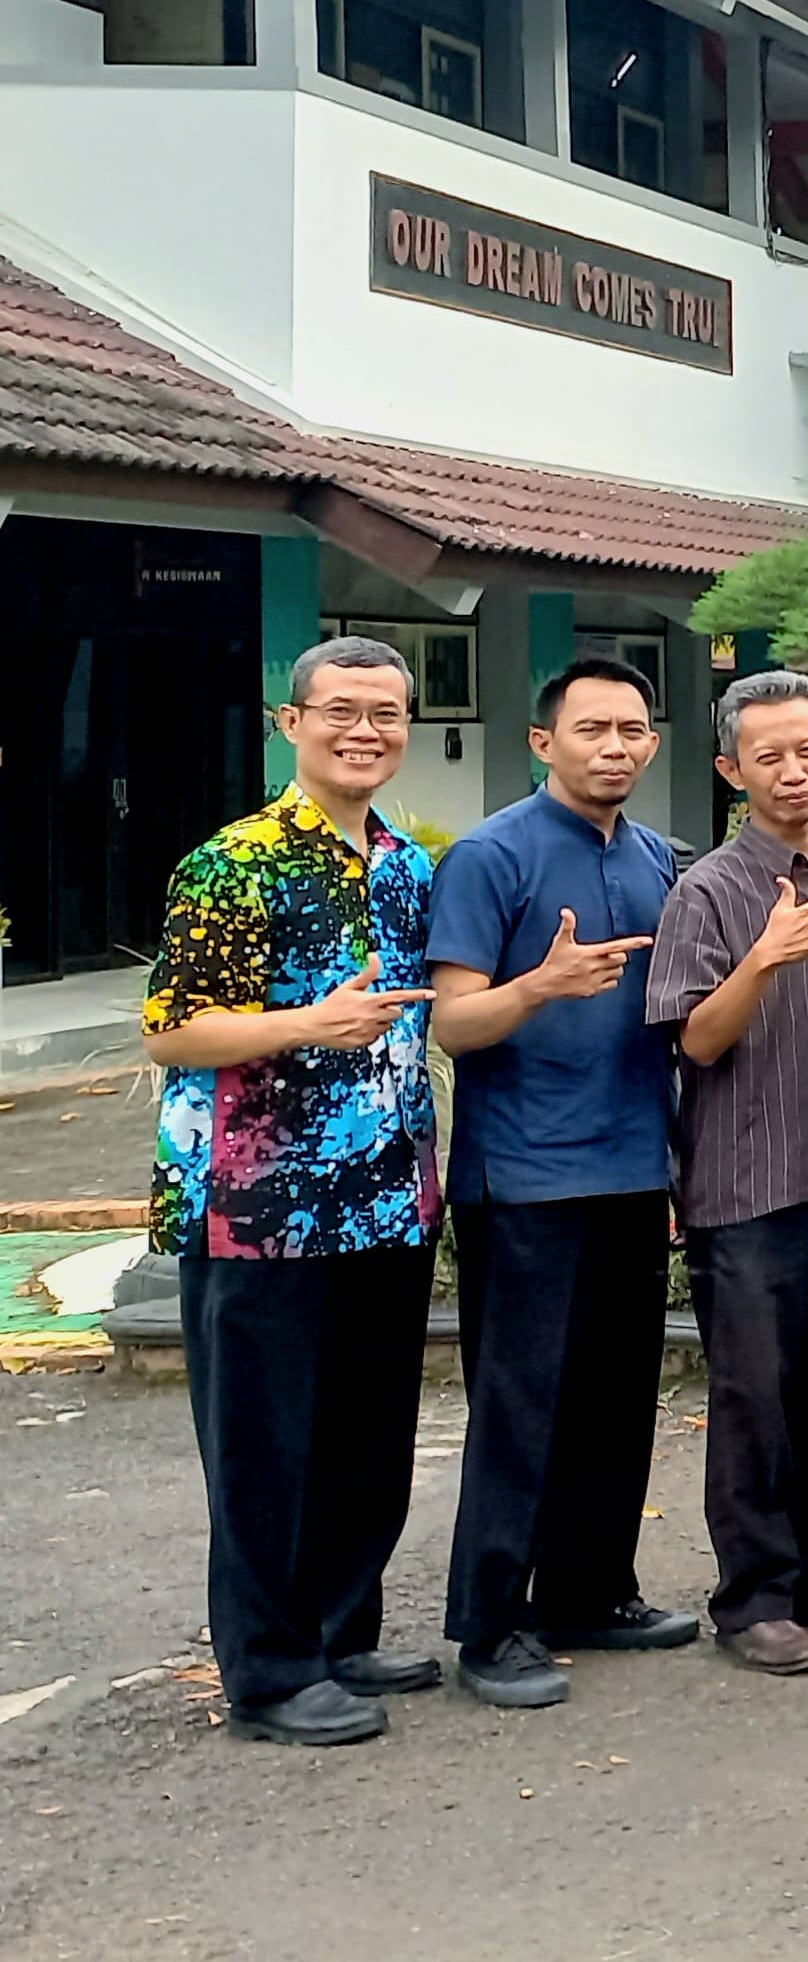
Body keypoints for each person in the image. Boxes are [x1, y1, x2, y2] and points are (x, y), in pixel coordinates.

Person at [143, 636, 445, 1746]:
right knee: (265, 1445)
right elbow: (174, 1031)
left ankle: (340, 1629)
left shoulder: (407, 864)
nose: (365, 731)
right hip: (258, 1207)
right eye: (342, 711)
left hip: (386, 1198)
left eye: (386, 714)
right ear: (291, 722)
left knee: (366, 1432)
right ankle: (269, 1671)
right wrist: (307, 1024)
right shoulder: (235, 862)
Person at [423, 656, 697, 1711]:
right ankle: (491, 1622)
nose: (615, 746)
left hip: (633, 1165)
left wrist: (675, 1159)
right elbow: (453, 1021)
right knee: (520, 1408)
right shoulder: (492, 858)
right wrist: (538, 984)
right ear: (545, 743)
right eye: (592, 730)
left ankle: (589, 1591)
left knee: (616, 1400)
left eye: (632, 729)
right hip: (525, 1177)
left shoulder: (658, 861)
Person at [649, 670, 808, 1676]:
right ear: (731, 769)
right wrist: (760, 959)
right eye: (770, 756)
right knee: (755, 1396)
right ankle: (750, 1597)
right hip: (748, 1186)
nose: (793, 770)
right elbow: (697, 1044)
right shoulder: (707, 889)